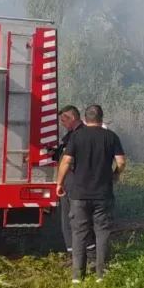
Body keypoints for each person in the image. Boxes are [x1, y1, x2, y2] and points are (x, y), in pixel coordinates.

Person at [55, 104, 126, 283]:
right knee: (102, 233)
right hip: (103, 194)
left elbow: (66, 162)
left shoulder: (77, 136)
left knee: (79, 233)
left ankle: (78, 277)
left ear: (85, 119)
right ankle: (101, 275)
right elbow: (122, 161)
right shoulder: (111, 136)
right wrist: (115, 175)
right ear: (101, 118)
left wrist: (59, 183)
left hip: (79, 195)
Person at [51, 105, 94, 261]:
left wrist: (59, 183)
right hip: (71, 183)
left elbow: (70, 160)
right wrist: (54, 153)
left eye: (63, 120)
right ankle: (75, 254)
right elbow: (64, 154)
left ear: (72, 118)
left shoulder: (81, 135)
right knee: (69, 221)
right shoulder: (71, 135)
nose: (62, 123)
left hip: (76, 184)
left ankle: (88, 254)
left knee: (77, 220)